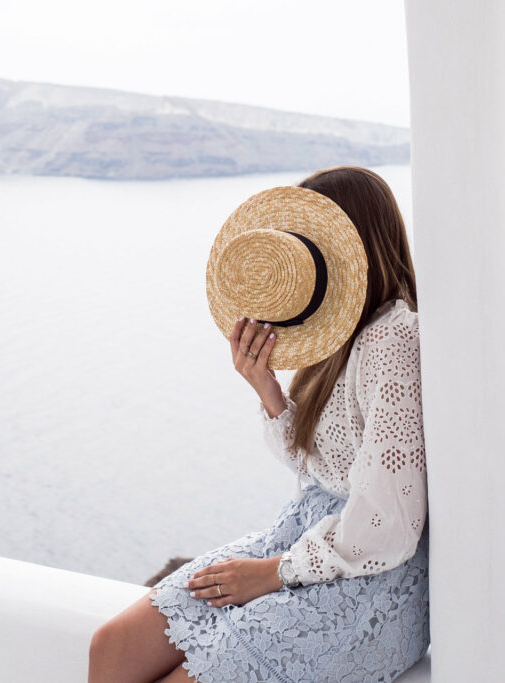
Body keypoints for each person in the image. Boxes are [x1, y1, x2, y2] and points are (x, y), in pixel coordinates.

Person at [87, 166, 429, 683]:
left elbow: (387, 522)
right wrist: (267, 388)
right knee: (111, 645)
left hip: (367, 576)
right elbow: (320, 469)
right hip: (305, 540)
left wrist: (270, 575)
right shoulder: (342, 334)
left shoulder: (393, 337)